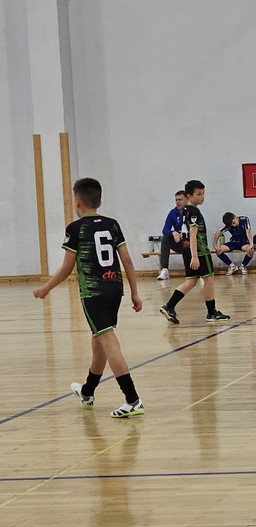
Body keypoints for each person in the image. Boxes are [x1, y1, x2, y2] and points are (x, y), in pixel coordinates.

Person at [33, 178, 144, 418]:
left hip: (93, 293)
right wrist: (135, 292)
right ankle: (88, 391)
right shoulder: (112, 225)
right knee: (99, 342)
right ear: (99, 201)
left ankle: (132, 399)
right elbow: (127, 260)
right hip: (115, 290)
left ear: (77, 202)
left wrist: (45, 289)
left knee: (109, 342)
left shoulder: (75, 229)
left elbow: (66, 268)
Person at [160, 180, 230, 324]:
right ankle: (212, 312)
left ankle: (169, 306)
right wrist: (195, 256)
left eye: (203, 193)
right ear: (190, 196)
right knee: (209, 279)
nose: (202, 197)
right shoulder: (193, 211)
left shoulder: (185, 210)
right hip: (199, 251)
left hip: (187, 250)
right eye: (199, 194)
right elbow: (193, 234)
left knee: (191, 281)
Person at [157, 190, 187, 280]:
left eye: (180, 199)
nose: (178, 202)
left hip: (190, 242)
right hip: (179, 243)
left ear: (186, 199)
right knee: (165, 238)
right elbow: (165, 230)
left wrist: (184, 233)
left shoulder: (191, 211)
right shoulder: (173, 213)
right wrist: (173, 233)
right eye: (176, 200)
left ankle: (197, 270)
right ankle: (165, 270)